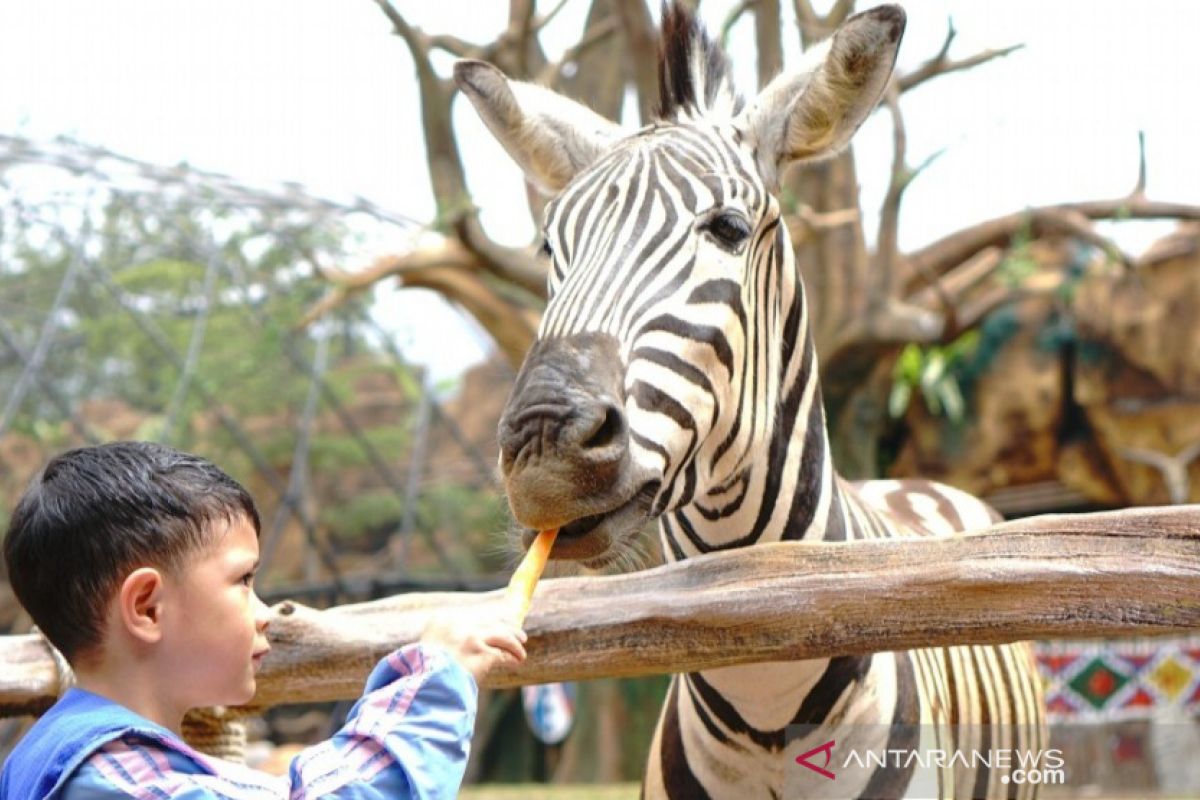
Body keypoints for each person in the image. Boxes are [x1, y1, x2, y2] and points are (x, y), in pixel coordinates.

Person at [0, 441, 527, 799]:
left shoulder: (47, 758)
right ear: (147, 608)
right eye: (244, 581)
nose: (265, 614)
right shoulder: (116, 779)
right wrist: (436, 681)